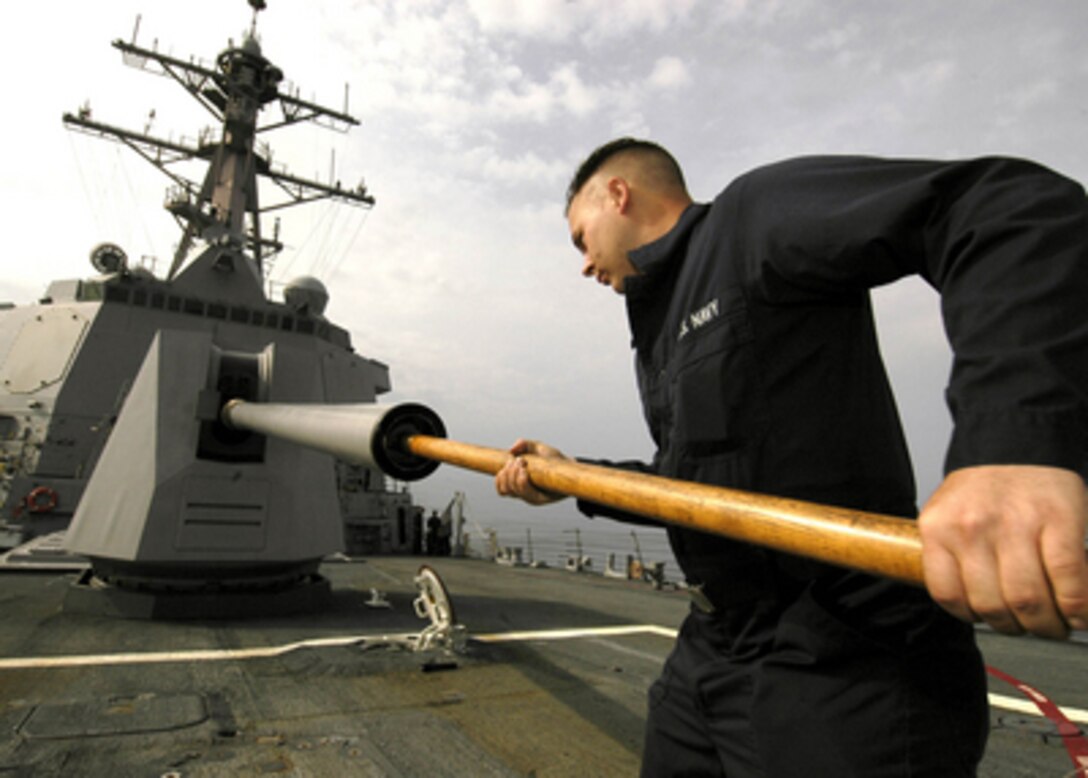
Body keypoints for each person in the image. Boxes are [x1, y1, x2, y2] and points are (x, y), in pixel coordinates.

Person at [495, 138, 1088, 776]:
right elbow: (690, 487)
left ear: (618, 194)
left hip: (847, 654)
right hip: (714, 649)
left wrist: (1012, 446)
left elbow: (1005, 208)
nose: (584, 265)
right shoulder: (658, 332)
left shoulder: (752, 220)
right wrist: (572, 477)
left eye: (581, 239)